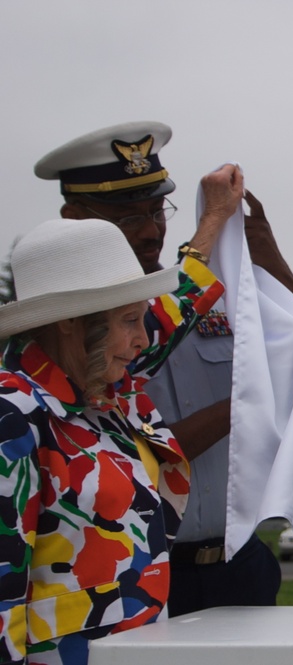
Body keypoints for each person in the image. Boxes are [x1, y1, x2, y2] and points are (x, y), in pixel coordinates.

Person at [33, 122, 293, 617]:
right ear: (75, 218)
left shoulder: (217, 291)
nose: (151, 230)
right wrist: (252, 403)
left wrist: (270, 258)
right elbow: (144, 448)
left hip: (239, 558)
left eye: (156, 210)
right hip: (142, 564)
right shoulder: (70, 329)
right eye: (126, 219)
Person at [0, 163, 242, 664]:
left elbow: (171, 311)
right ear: (71, 324)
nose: (142, 337)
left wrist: (217, 220)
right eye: (129, 319)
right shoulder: (14, 415)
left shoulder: (111, 397)